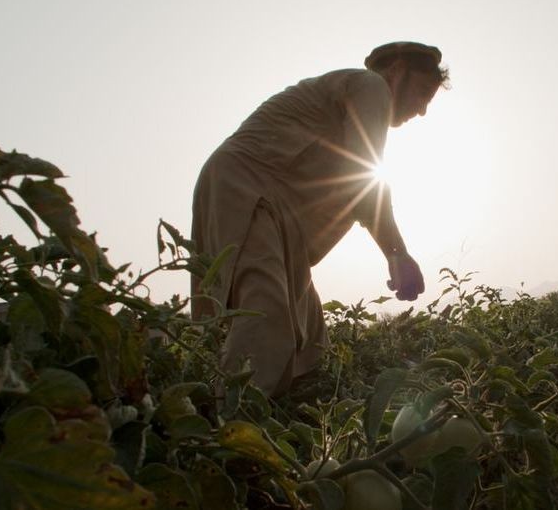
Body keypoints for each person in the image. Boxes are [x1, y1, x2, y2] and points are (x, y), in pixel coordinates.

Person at [191, 41, 448, 396]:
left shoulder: (358, 98)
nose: (421, 110)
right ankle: (226, 432)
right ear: (398, 70)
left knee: (310, 342)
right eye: (422, 93)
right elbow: (363, 176)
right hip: (247, 188)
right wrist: (397, 253)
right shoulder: (372, 87)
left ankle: (275, 421)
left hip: (278, 212)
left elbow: (355, 185)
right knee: (266, 317)